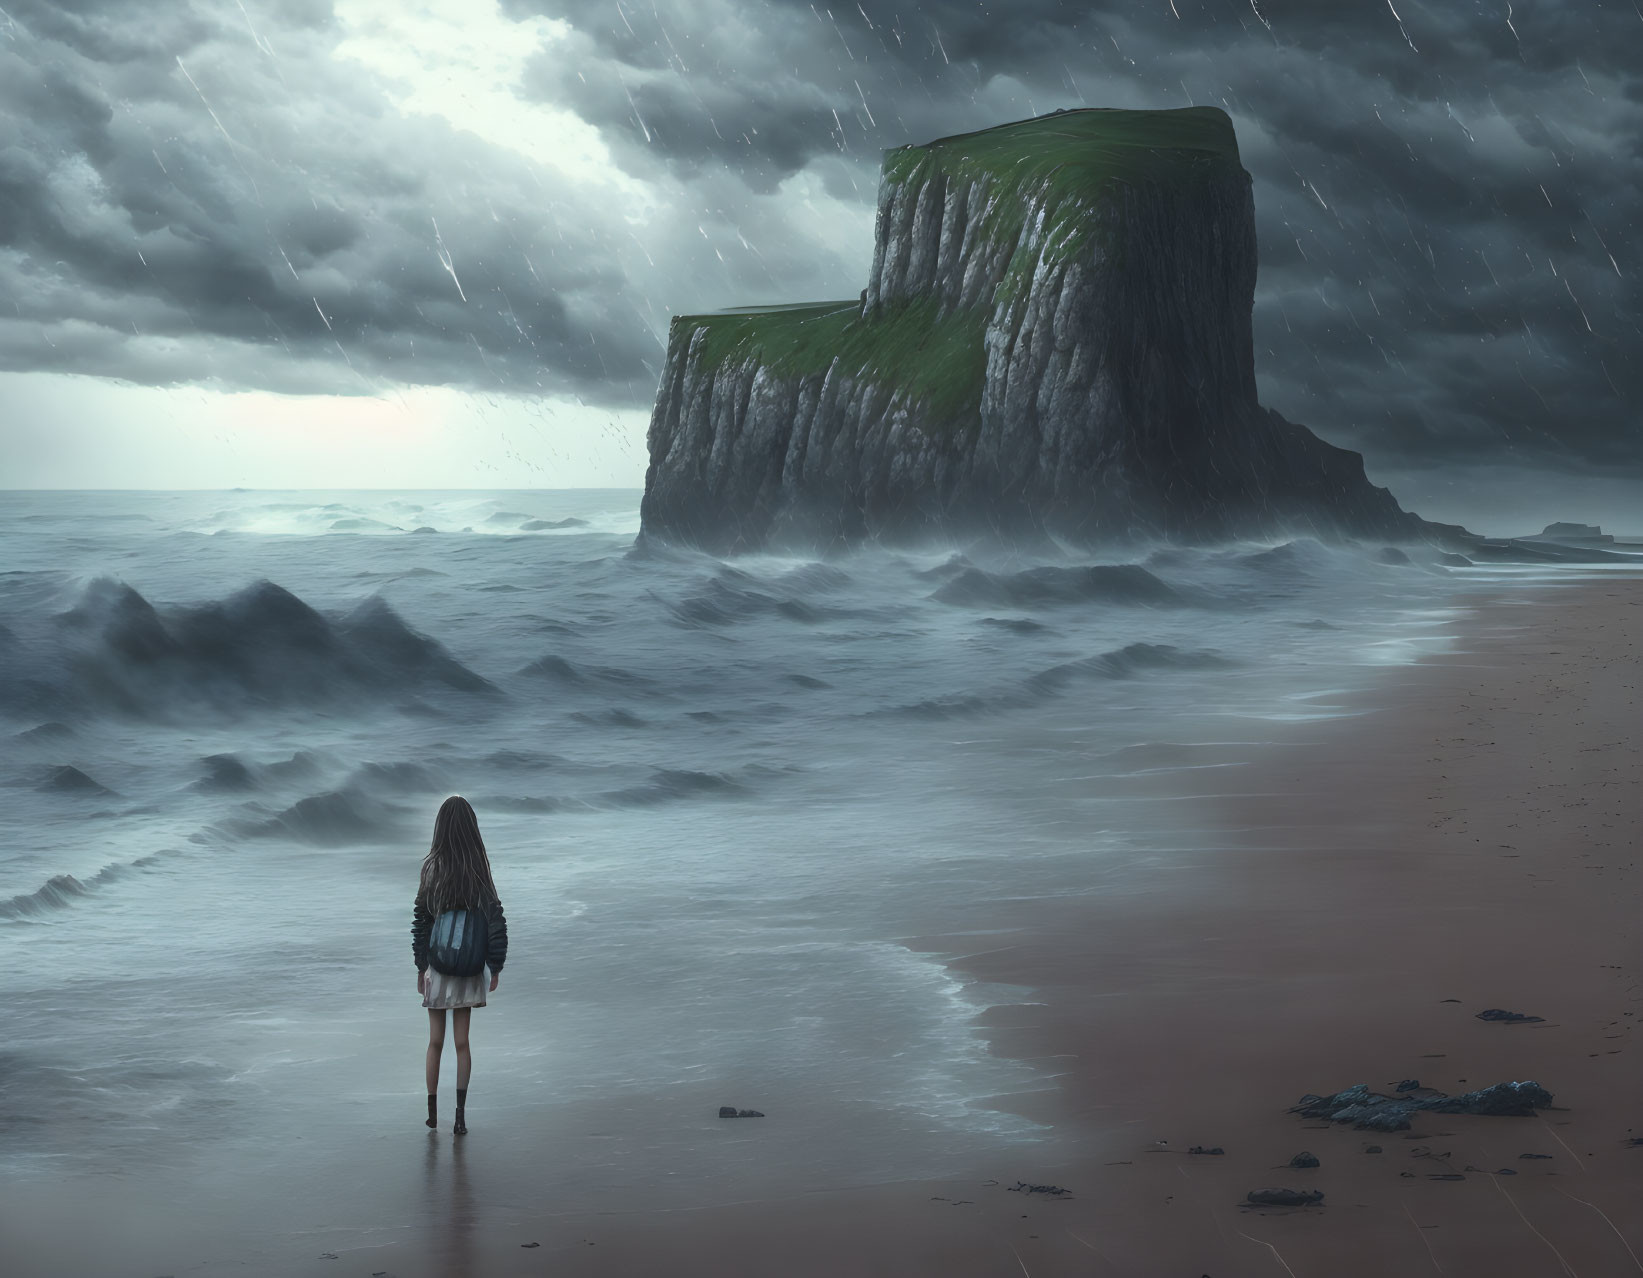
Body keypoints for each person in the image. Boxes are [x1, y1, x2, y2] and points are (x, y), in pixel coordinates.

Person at [411, 795, 508, 1135]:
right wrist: (495, 965)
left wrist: (420, 965)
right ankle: (461, 1117)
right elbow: (496, 919)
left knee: (434, 1041)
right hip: (468, 968)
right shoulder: (479, 870)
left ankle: (432, 1114)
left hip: (438, 967)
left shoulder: (432, 868)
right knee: (462, 1043)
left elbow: (422, 920)